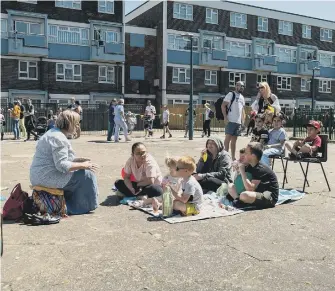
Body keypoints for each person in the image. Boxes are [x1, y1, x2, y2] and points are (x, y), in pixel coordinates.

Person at [30, 110, 99, 215]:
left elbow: (57, 159)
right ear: (69, 124)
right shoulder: (59, 138)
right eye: (76, 123)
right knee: (86, 175)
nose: (78, 126)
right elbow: (62, 165)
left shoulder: (52, 133)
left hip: (39, 175)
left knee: (80, 171)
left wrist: (78, 161)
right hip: (47, 177)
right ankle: (75, 207)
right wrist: (84, 165)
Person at [232, 142, 279, 209]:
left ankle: (241, 201)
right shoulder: (250, 165)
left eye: (246, 153)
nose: (244, 155)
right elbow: (237, 182)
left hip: (268, 197)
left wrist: (242, 170)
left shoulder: (260, 169)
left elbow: (250, 189)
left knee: (245, 195)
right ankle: (238, 200)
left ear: (253, 156)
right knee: (231, 186)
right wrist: (236, 168)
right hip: (256, 192)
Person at [222, 81, 246, 160]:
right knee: (227, 139)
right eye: (240, 86)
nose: (242, 87)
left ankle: (232, 157)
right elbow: (223, 105)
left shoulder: (242, 97)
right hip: (230, 120)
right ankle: (225, 156)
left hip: (238, 122)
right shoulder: (231, 94)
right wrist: (225, 117)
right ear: (236, 86)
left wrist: (243, 122)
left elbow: (242, 110)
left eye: (243, 86)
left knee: (234, 141)